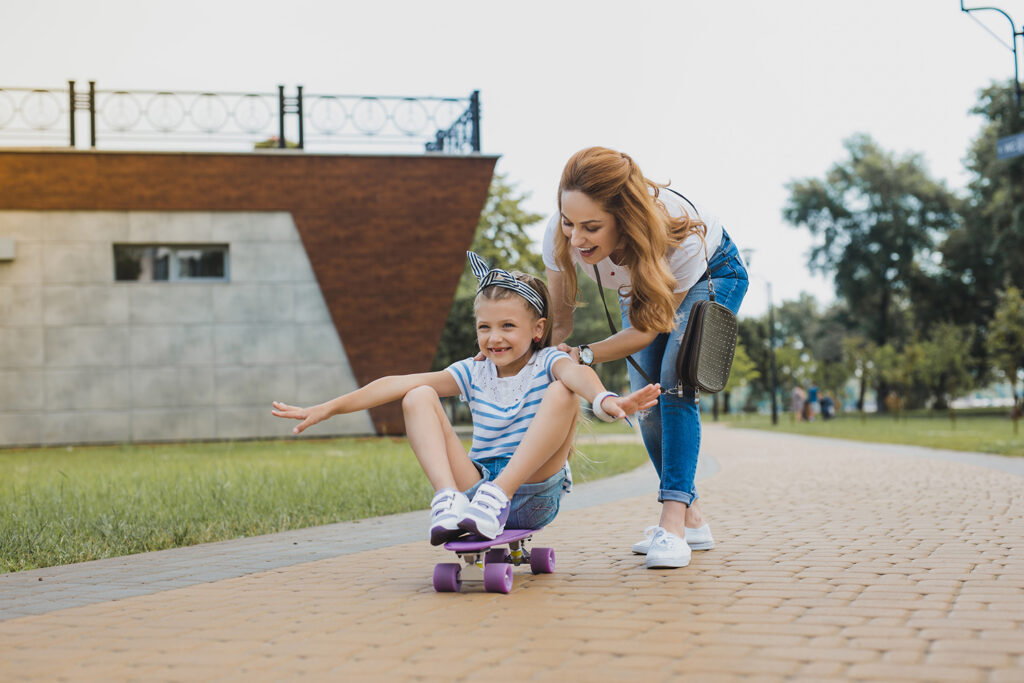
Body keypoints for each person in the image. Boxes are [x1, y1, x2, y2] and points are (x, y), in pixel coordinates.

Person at [272, 251, 659, 544]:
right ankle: (447, 500)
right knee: (417, 394)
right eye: (484, 327)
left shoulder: (548, 361)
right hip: (476, 491)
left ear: (538, 329)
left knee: (563, 390)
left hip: (533, 493)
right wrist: (328, 408)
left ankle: (500, 494)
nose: (494, 338)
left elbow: (579, 374)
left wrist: (607, 401)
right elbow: (394, 382)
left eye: (508, 326)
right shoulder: (474, 372)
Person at [542, 147, 748, 569]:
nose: (576, 238)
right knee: (647, 403)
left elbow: (646, 330)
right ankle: (693, 519)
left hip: (711, 273)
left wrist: (583, 355)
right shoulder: (560, 235)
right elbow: (557, 323)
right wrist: (530, 360)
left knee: (674, 381)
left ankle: (671, 522)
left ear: (624, 218)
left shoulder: (679, 239)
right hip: (637, 286)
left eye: (592, 227)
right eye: (568, 223)